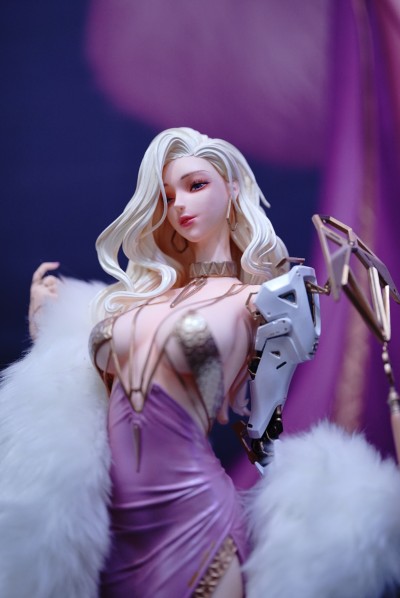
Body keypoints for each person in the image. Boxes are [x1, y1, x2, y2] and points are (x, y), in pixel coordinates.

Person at [29, 127, 288, 597]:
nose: (180, 205)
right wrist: (46, 330)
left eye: (196, 185)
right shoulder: (142, 298)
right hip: (110, 536)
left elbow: (267, 423)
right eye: (168, 196)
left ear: (233, 189)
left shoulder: (255, 301)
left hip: (197, 524)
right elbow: (77, 394)